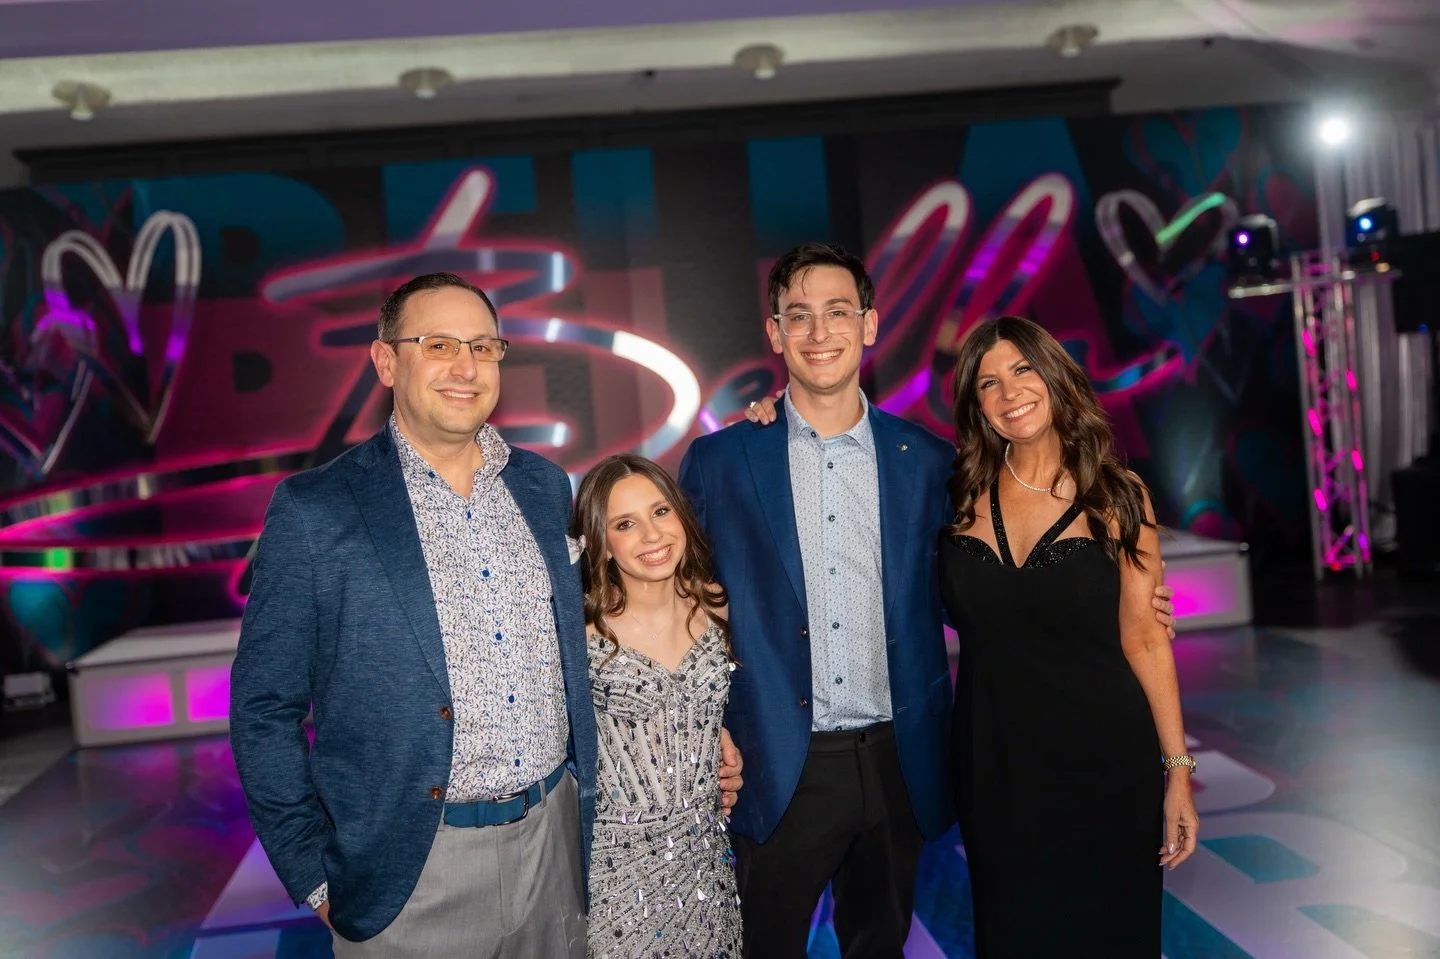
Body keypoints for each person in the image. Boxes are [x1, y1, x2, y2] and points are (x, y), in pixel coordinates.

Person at [228, 272, 741, 957]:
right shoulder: (316, 510)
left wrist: (691, 729)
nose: (465, 367)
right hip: (409, 873)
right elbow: (264, 707)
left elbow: (603, 634)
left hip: (556, 849)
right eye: (438, 344)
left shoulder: (541, 486)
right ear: (386, 361)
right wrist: (313, 875)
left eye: (483, 346)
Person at [720, 243, 1177, 958]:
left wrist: (1122, 606)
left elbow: (1100, 622)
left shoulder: (937, 468)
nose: (819, 331)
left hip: (968, 758)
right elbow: (701, 602)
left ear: (869, 324)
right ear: (775, 333)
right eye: (798, 316)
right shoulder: (732, 461)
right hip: (853, 764)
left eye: (838, 311)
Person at [939, 315, 1199, 957]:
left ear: (1054, 376)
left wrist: (1177, 773)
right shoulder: (954, 497)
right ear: (976, 405)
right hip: (997, 770)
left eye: (1023, 370)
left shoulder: (1116, 496)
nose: (1010, 393)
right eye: (989, 383)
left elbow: (1146, 640)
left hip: (1108, 764)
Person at [571, 453, 743, 957]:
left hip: (706, 858)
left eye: (661, 511)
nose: (652, 535)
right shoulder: (580, 632)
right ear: (601, 543)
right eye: (626, 524)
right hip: (617, 871)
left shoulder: (716, 603)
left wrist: (723, 739)